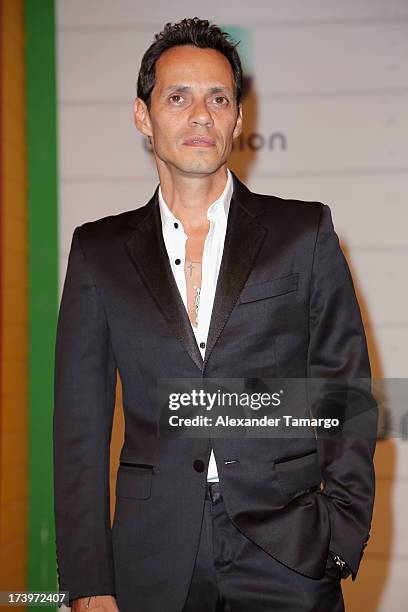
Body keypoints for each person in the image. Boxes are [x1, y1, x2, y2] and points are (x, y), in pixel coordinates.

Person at [53, 17, 377, 612]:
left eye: (218, 98)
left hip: (289, 551)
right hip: (150, 554)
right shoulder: (98, 252)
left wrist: (340, 537)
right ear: (143, 117)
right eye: (178, 97)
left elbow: (344, 392)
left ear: (237, 119)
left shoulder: (302, 232)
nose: (200, 114)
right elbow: (80, 425)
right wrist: (86, 579)